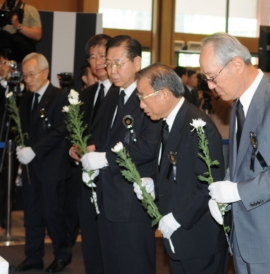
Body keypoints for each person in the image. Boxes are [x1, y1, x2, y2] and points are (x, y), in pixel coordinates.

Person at [199, 33, 270, 273]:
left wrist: (237, 191)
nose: (210, 86)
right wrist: (226, 191)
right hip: (244, 235)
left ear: (237, 65)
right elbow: (244, 163)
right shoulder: (238, 103)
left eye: (212, 78)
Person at [135, 63, 228, 274]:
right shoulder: (167, 122)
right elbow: (175, 171)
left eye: (143, 97)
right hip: (180, 237)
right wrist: (154, 183)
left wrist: (178, 218)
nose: (141, 105)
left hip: (198, 239)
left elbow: (209, 184)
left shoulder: (197, 126)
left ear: (165, 94)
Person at [80, 35, 159, 274]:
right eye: (109, 64)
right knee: (110, 264)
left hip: (131, 200)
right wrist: (90, 155)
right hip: (106, 197)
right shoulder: (113, 95)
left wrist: (105, 159)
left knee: (134, 265)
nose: (112, 70)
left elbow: (149, 146)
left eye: (118, 63)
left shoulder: (150, 95)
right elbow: (101, 136)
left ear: (137, 62)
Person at [11, 52, 71, 273]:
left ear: (45, 73)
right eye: (25, 75)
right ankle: (33, 256)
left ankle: (62, 256)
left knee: (53, 215)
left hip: (51, 168)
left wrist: (34, 150)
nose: (27, 79)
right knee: (32, 215)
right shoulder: (27, 98)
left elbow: (60, 131)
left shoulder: (60, 96)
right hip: (30, 168)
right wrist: (21, 146)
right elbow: (24, 128)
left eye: (31, 74)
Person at [69, 33, 114, 274]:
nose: (97, 62)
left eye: (102, 56)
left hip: (110, 179)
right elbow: (80, 133)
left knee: (111, 244)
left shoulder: (122, 93)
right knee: (90, 241)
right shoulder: (86, 94)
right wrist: (74, 148)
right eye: (93, 57)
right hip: (85, 181)